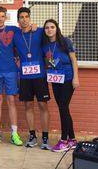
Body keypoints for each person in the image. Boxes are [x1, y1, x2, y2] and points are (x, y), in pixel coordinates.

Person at [13, 7, 51, 150]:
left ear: (30, 18)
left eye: (26, 16)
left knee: (43, 106)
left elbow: (53, 36)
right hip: (25, 77)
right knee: (28, 106)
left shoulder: (40, 31)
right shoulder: (16, 35)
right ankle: (32, 136)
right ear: (18, 20)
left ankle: (45, 137)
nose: (24, 19)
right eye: (21, 17)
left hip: (40, 76)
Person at [42, 19, 79, 152]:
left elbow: (74, 60)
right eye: (47, 28)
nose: (49, 30)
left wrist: (76, 77)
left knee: (63, 107)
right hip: (55, 80)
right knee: (63, 108)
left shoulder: (65, 41)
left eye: (52, 27)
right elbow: (48, 63)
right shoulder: (45, 46)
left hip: (68, 79)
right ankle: (73, 139)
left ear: (56, 28)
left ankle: (64, 140)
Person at [0, 7, 23, 145]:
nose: (0, 18)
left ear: (6, 17)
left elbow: (26, 32)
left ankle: (14, 134)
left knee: (11, 101)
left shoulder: (14, 30)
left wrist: (34, 26)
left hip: (11, 71)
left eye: (3, 16)